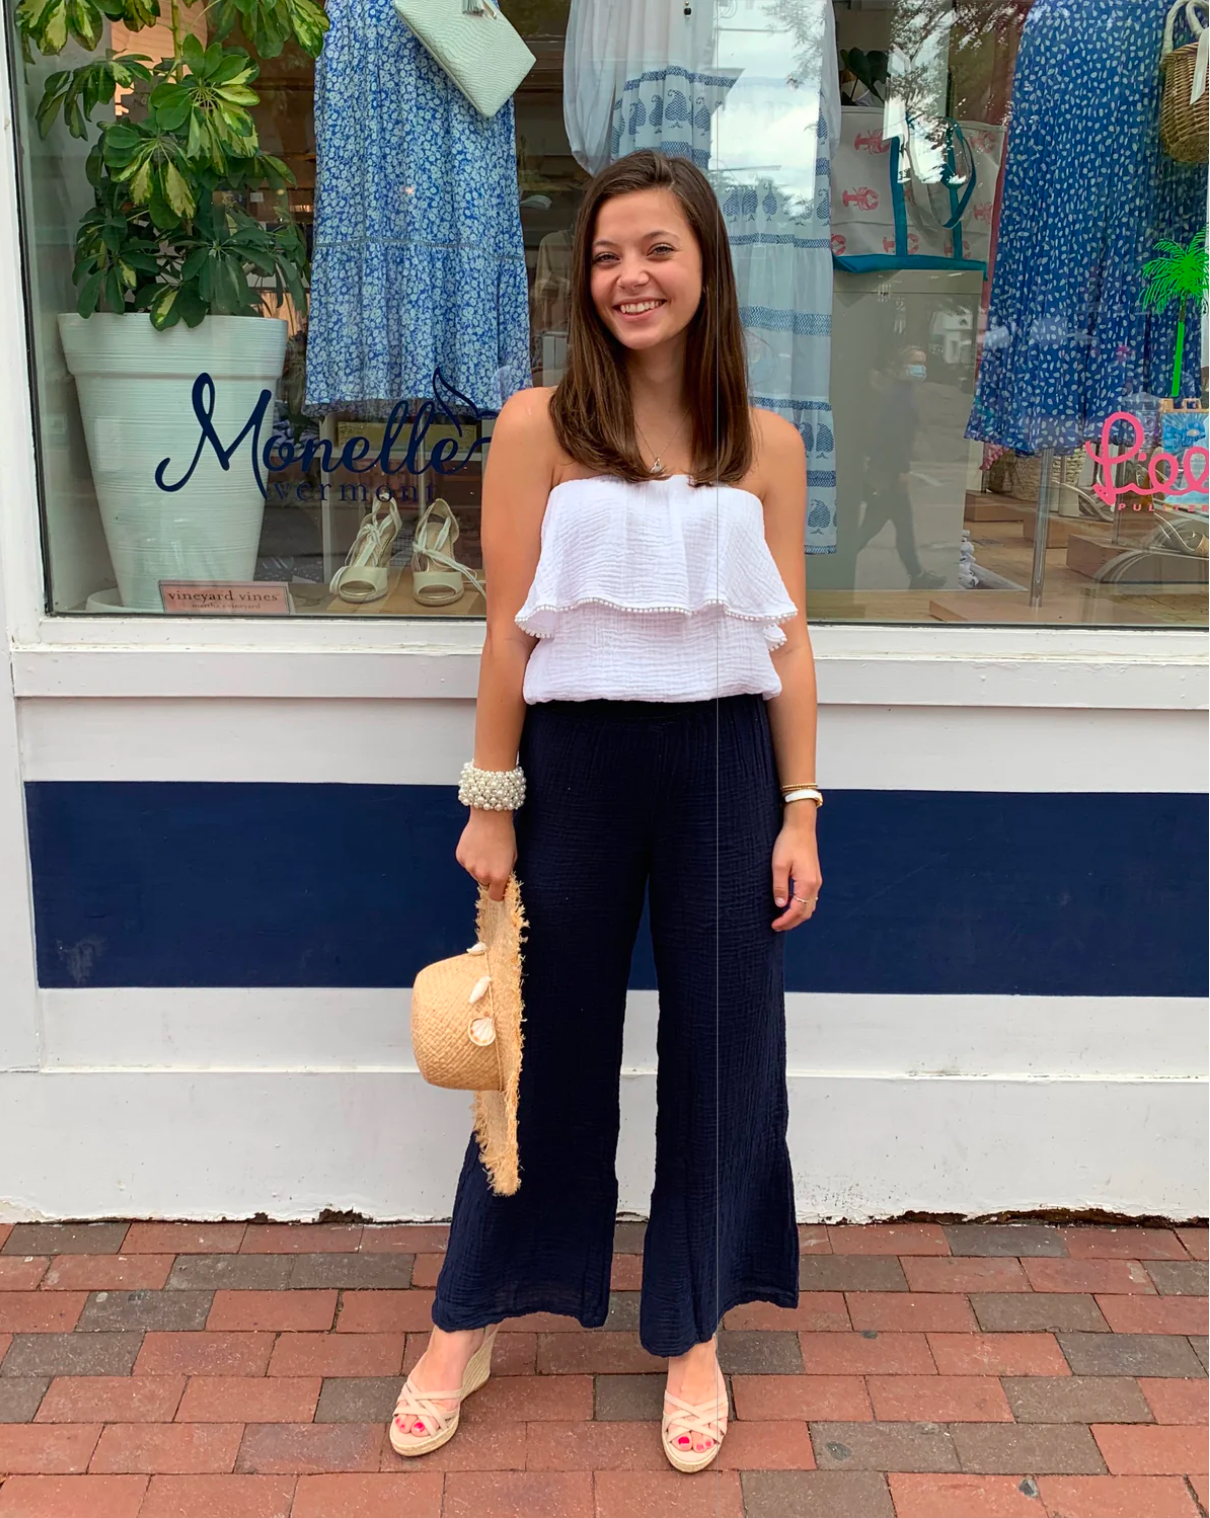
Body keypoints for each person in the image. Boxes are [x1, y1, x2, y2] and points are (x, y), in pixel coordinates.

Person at [389, 149, 823, 1474]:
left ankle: (691, 1325)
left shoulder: (766, 443)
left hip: (721, 768)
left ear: (705, 267)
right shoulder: (537, 428)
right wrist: (491, 802)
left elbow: (788, 642)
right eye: (606, 255)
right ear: (582, 281)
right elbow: (507, 631)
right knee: (540, 1050)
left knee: (723, 1049)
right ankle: (464, 1318)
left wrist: (797, 809)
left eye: (657, 249)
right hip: (572, 768)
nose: (630, 276)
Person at [853, 345, 946, 591]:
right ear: (903, 365)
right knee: (874, 527)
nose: (921, 368)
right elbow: (895, 437)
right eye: (916, 362)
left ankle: (918, 574)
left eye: (923, 363)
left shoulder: (901, 393)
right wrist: (902, 471)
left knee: (897, 525)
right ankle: (839, 561)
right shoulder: (899, 397)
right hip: (890, 473)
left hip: (887, 471)